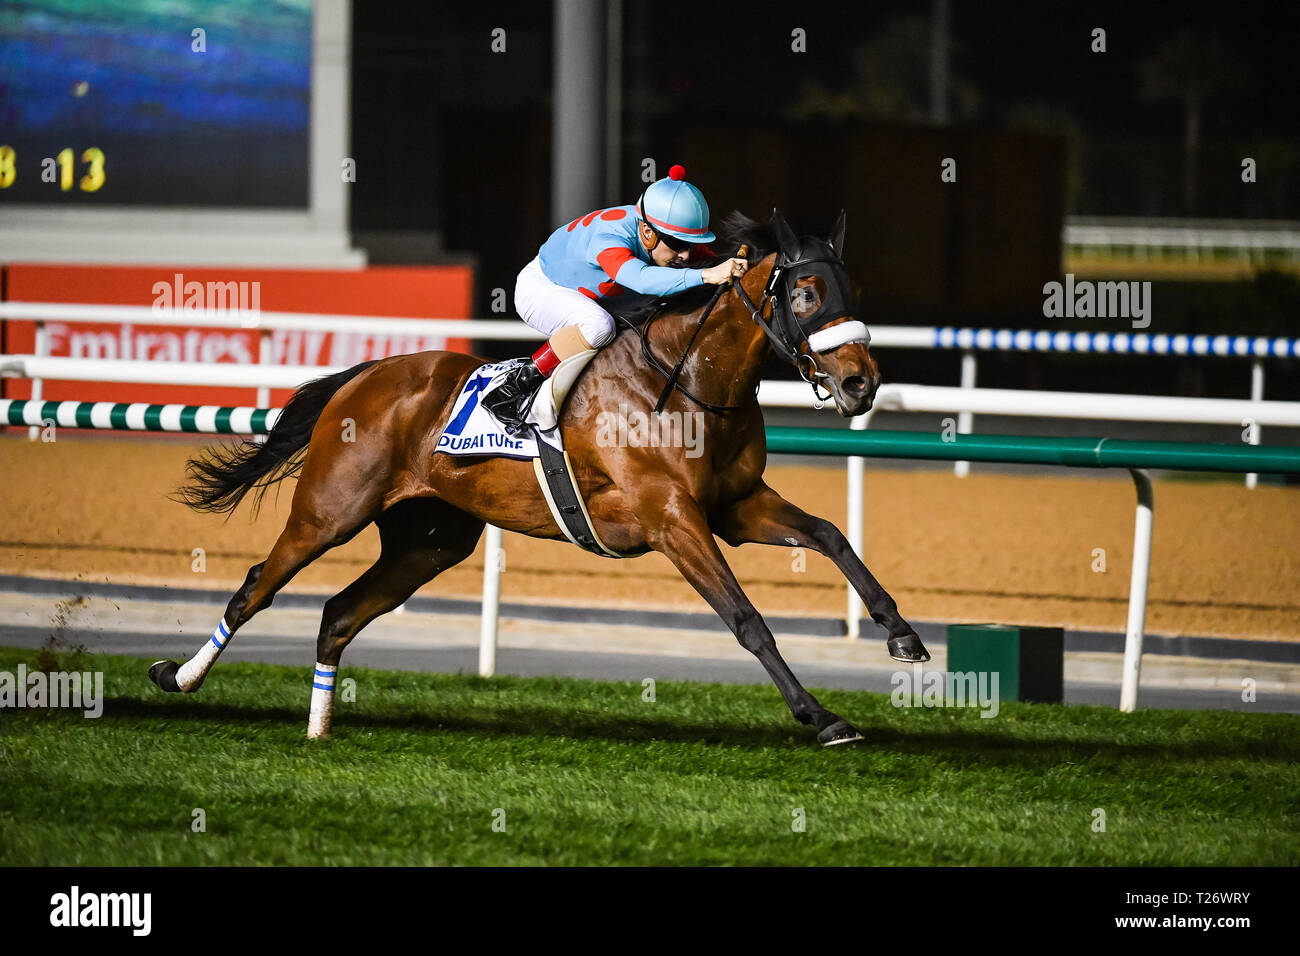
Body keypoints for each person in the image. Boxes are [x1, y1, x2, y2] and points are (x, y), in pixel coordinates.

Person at [481, 164, 749, 429]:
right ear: (647, 232)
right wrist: (705, 276)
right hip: (543, 289)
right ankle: (517, 387)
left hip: (595, 299)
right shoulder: (609, 238)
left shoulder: (660, 233)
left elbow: (712, 266)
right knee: (599, 326)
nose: (687, 254)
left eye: (691, 244)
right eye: (679, 244)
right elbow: (642, 280)